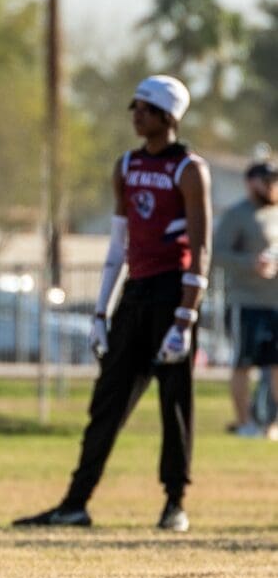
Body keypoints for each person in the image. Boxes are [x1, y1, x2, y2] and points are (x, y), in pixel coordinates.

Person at [16, 76, 210, 531]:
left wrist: (186, 315)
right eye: (134, 107)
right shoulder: (125, 165)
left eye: (144, 108)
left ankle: (174, 502)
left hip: (171, 294)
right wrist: (101, 311)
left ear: (168, 116)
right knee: (107, 402)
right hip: (136, 294)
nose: (135, 116)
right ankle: (75, 502)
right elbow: (118, 244)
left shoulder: (188, 169)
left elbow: (201, 247)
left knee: (174, 402)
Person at [213, 158, 278, 438]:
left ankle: (273, 424)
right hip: (246, 301)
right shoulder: (237, 215)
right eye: (268, 180)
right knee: (243, 363)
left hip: (276, 302)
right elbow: (217, 255)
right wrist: (250, 262)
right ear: (252, 183)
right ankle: (245, 423)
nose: (273, 186)